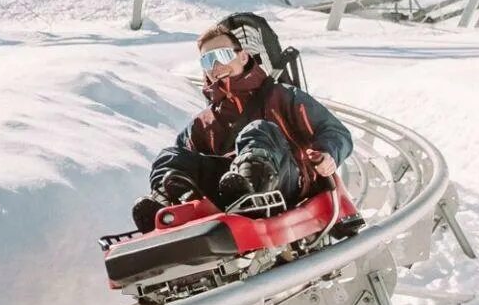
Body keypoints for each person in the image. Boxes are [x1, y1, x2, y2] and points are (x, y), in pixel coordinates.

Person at [133, 19, 354, 232]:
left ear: (243, 56)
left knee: (258, 129)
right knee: (170, 157)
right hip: (227, 188)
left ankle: (251, 186)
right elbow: (187, 161)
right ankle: (162, 209)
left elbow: (335, 132)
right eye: (208, 61)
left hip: (286, 180)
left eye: (221, 55)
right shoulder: (203, 123)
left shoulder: (282, 96)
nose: (216, 66)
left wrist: (328, 154)